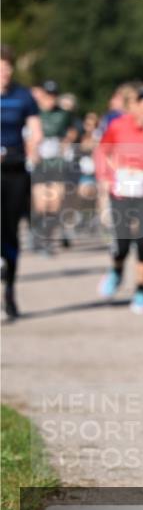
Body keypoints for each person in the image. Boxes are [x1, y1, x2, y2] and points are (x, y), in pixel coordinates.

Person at [95, 83, 143, 314]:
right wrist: (106, 177)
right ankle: (116, 270)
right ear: (130, 105)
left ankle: (141, 289)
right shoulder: (117, 126)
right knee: (122, 240)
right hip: (121, 188)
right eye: (140, 104)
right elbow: (102, 151)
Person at [1, 45, 42, 319]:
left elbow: (35, 131)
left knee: (11, 231)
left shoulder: (23, 96)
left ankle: (10, 291)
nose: (4, 73)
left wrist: (32, 149)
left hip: (14, 169)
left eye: (7, 68)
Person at [31, 80, 78, 253]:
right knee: (41, 205)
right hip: (39, 163)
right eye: (48, 95)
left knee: (56, 203)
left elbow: (73, 130)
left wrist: (66, 142)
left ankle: (47, 237)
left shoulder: (64, 114)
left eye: (54, 95)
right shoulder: (34, 113)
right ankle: (36, 231)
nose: (51, 99)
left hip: (57, 163)